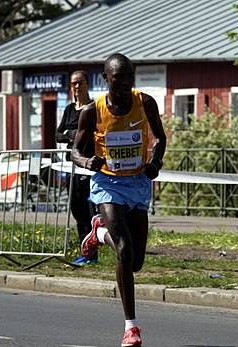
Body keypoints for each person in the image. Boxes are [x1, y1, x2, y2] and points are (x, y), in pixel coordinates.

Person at [72, 53, 166, 347]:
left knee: (135, 262)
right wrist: (87, 162)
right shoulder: (92, 110)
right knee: (124, 249)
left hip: (137, 182)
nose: (124, 83)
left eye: (128, 77)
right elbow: (74, 151)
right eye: (118, 78)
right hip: (107, 183)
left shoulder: (145, 102)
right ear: (105, 79)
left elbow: (159, 138)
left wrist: (156, 162)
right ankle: (131, 328)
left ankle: (98, 232)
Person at [56, 70, 97, 266]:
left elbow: (95, 133)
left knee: (90, 210)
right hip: (71, 166)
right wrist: (73, 135)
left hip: (88, 166)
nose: (77, 87)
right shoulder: (69, 110)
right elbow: (58, 134)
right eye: (74, 84)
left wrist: (71, 134)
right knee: (76, 209)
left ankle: (93, 253)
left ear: (87, 84)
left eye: (80, 83)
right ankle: (85, 250)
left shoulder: (93, 108)